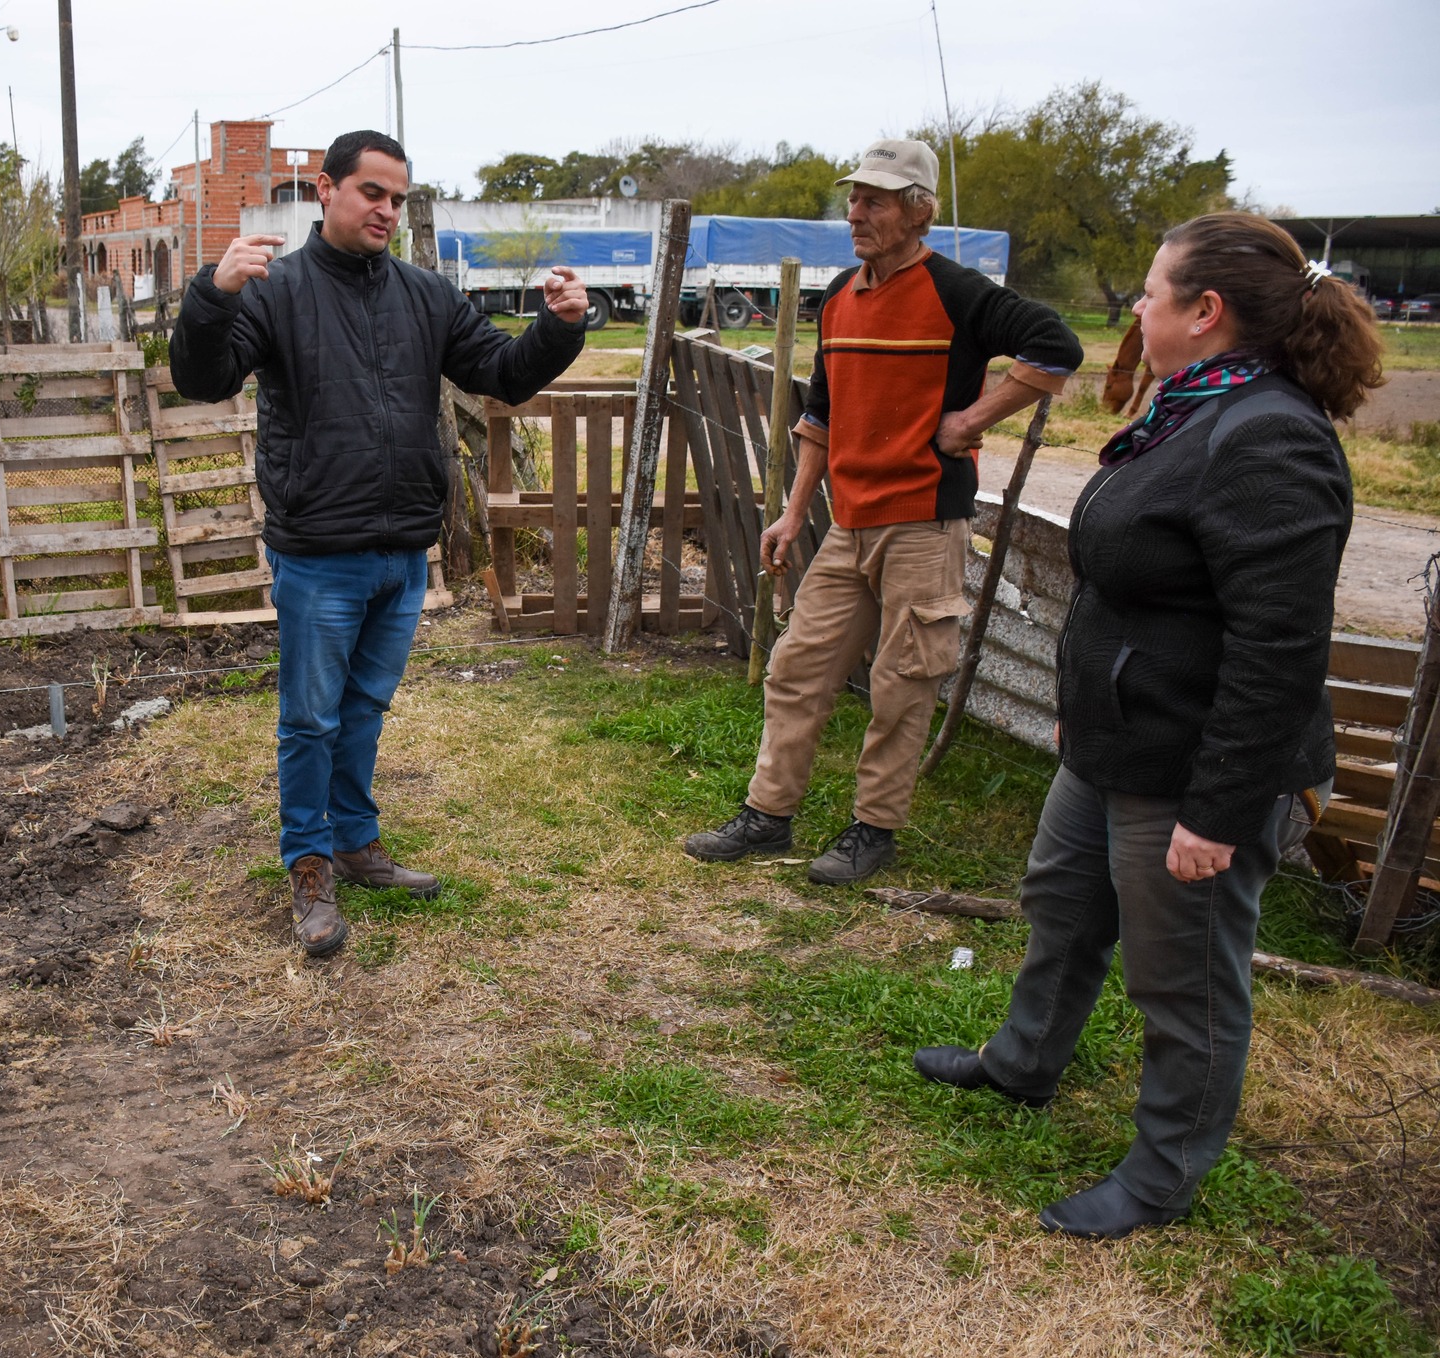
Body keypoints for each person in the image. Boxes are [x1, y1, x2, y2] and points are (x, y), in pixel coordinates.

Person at [913, 212, 1381, 1238]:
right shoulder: (1191, 410)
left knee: (1184, 979)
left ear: (1204, 311)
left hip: (1194, 770)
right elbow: (1131, 594)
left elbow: (1278, 650)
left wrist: (1217, 811)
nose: (1135, 305)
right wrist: (1082, 715)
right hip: (1117, 742)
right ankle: (1022, 1062)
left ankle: (1162, 1174)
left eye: (1150, 289)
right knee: (1062, 905)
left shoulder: (1268, 437)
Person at [170, 129, 587, 957]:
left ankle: (355, 840)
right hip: (319, 552)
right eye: (372, 192)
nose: (387, 210)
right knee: (309, 720)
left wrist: (560, 326)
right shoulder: (279, 291)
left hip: (402, 553)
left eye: (398, 198)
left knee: (363, 708)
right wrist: (213, 296)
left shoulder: (425, 296)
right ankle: (309, 866)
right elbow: (202, 378)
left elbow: (501, 372)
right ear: (326, 190)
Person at [683, 139, 1083, 885]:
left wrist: (972, 420)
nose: (856, 213)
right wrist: (793, 513)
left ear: (919, 212)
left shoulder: (957, 292)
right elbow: (820, 416)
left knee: (902, 683)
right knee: (797, 667)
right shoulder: (841, 295)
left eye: (875, 201)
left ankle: (874, 829)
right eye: (854, 199)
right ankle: (768, 815)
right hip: (849, 522)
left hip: (925, 522)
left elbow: (1056, 348)